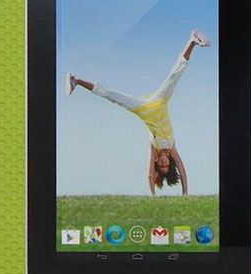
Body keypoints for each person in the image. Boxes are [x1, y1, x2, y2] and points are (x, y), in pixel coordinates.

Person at [65, 29, 211, 196]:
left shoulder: (154, 149)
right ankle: (192, 41)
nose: (164, 164)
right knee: (173, 77)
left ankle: (76, 80)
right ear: (170, 163)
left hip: (144, 109)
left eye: (161, 166)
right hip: (160, 103)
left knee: (113, 96)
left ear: (157, 162)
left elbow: (150, 174)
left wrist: (153, 196)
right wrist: (185, 193)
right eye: (166, 166)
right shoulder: (172, 149)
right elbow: (183, 171)